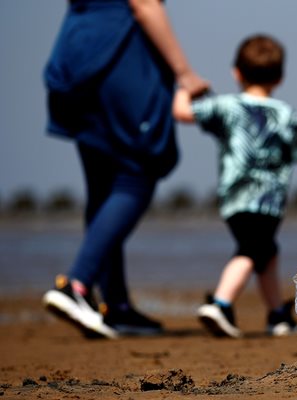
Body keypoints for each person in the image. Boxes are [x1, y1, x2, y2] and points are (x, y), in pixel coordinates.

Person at [42, 0, 208, 338]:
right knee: (138, 174)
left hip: (73, 57)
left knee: (102, 186)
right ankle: (77, 285)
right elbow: (144, 4)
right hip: (116, 56)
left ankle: (114, 307)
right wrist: (185, 74)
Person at [173, 34, 297, 338]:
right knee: (252, 250)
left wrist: (185, 89)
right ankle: (222, 304)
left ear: (236, 72)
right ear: (279, 77)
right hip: (269, 201)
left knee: (266, 251)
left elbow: (182, 113)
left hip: (234, 198)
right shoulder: (289, 115)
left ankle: (277, 315)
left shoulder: (225, 106)